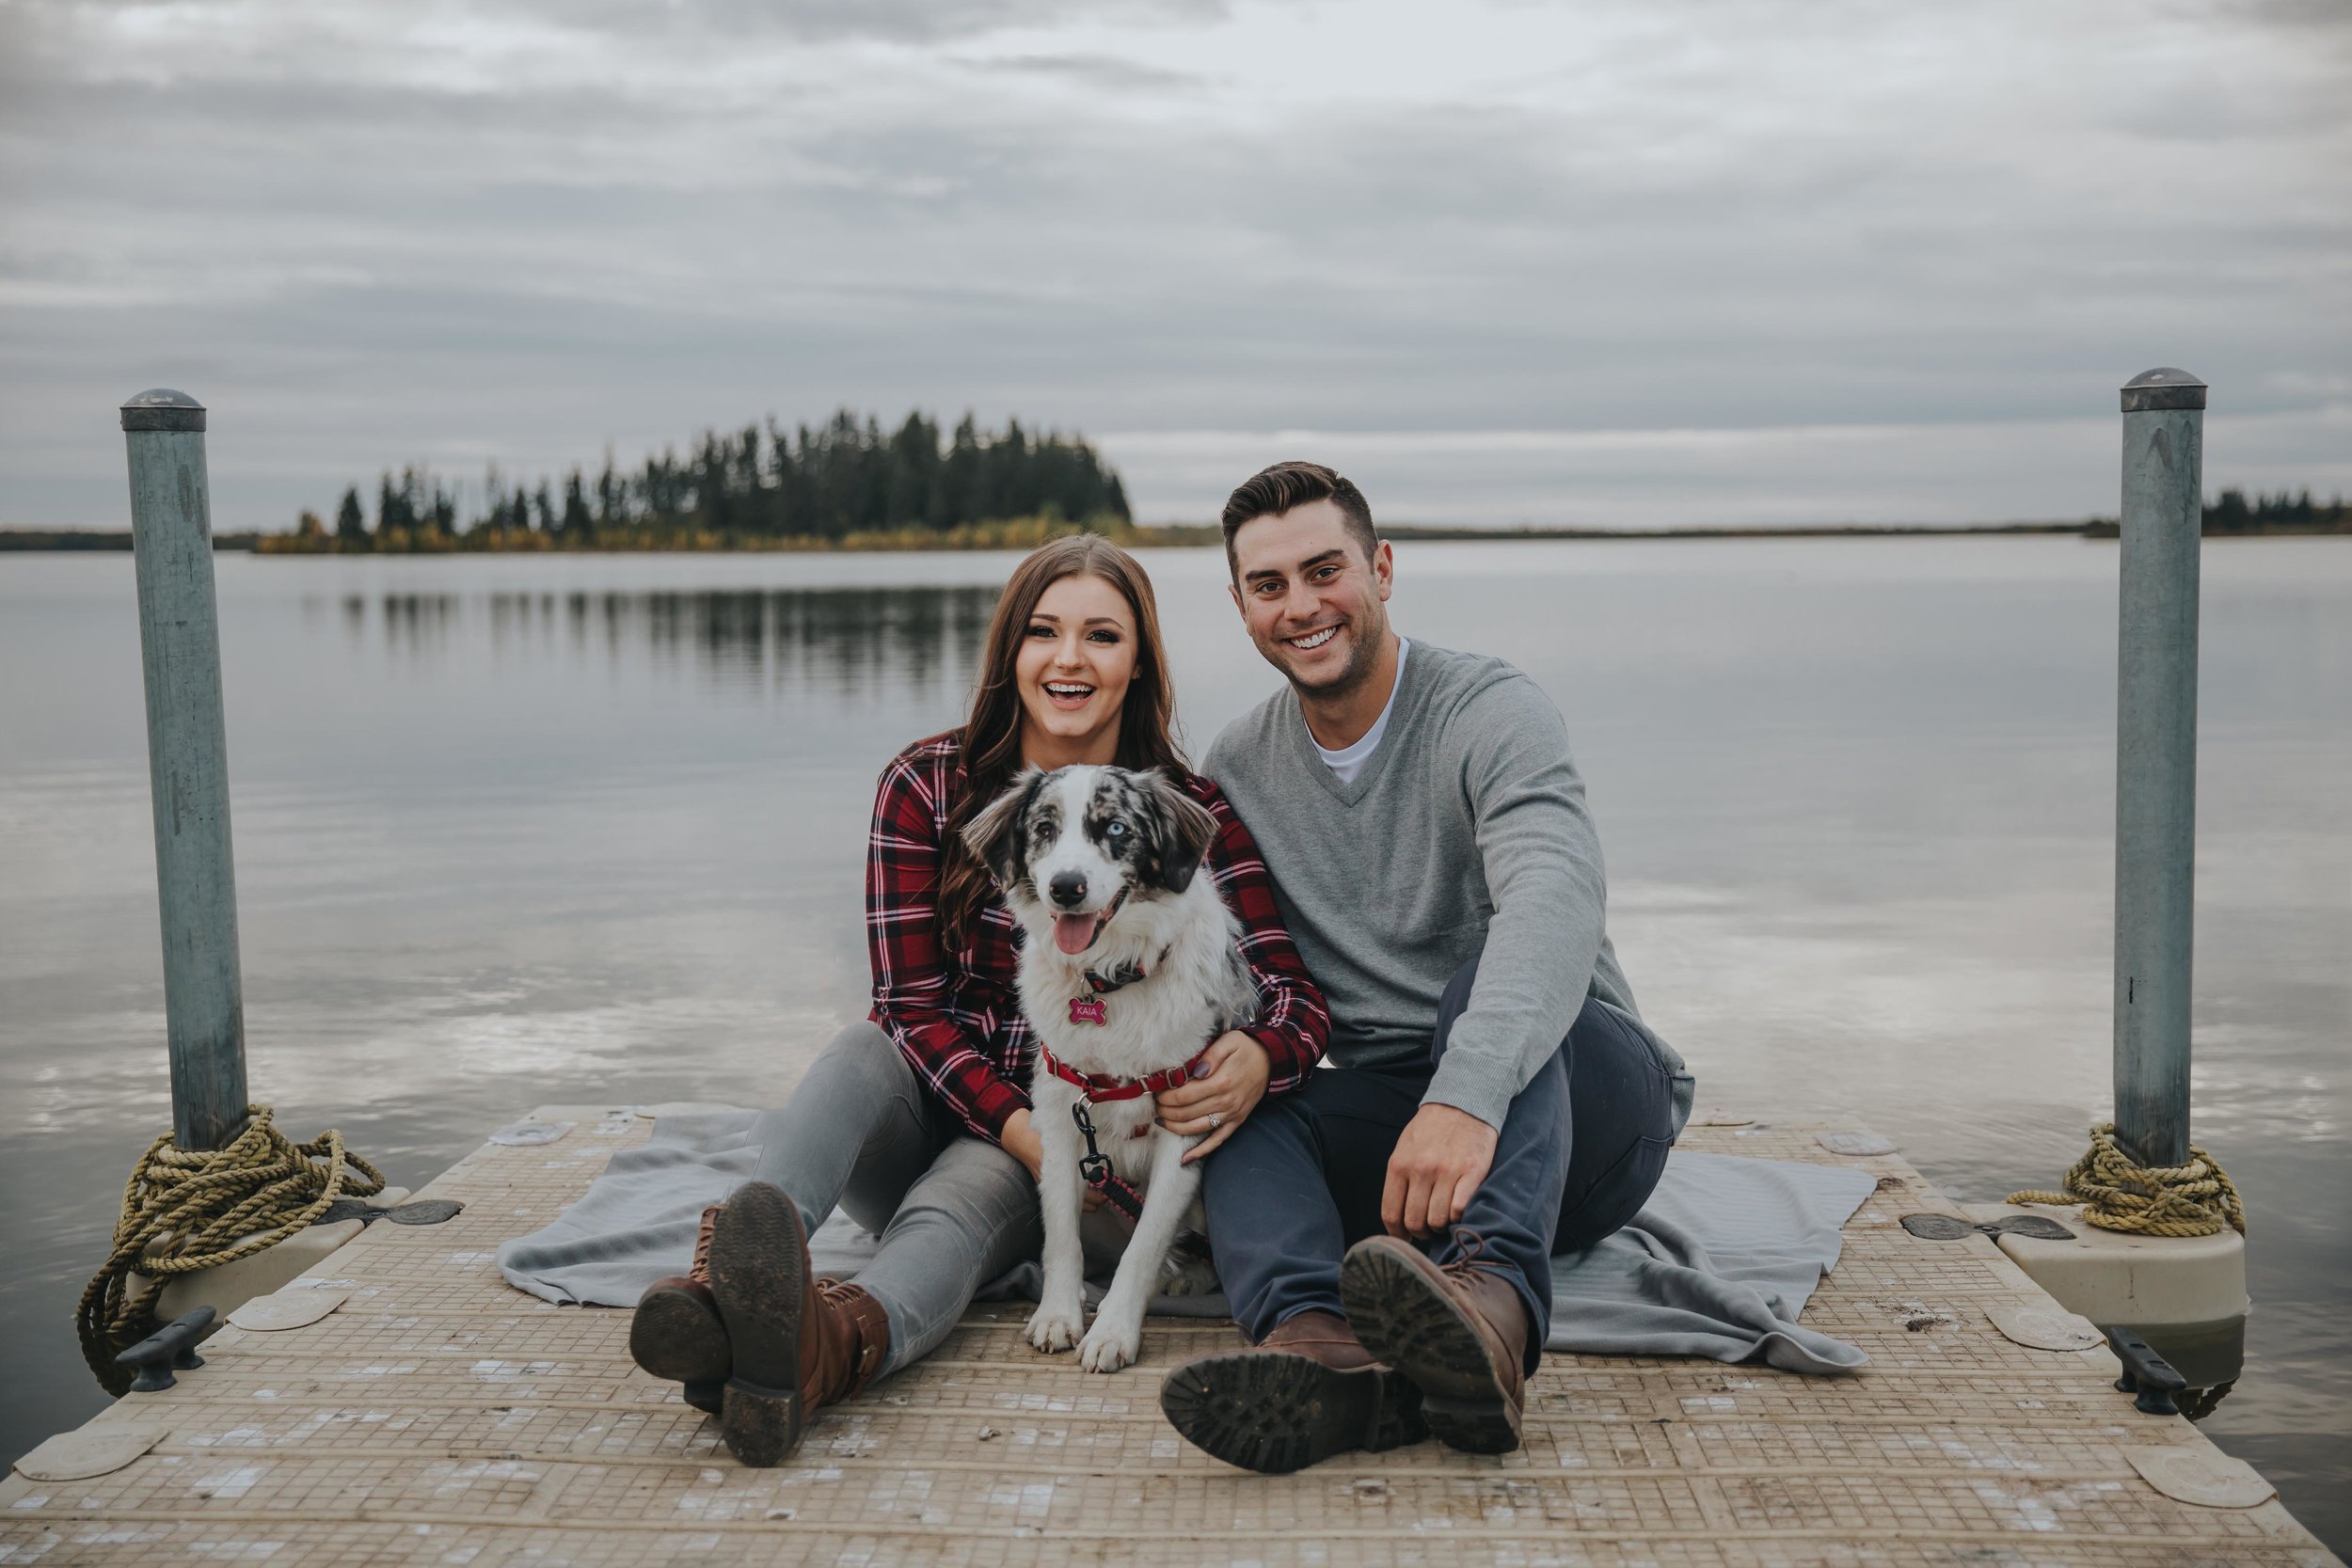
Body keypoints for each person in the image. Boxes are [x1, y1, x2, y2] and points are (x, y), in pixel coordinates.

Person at [628, 533, 1330, 1466]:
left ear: (1138, 662)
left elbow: (1293, 996)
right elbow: (908, 1006)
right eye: (1044, 631)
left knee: (965, 1192)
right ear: (1010, 650)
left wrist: (1260, 1056)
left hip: (1078, 1144)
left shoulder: (1178, 808)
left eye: (1102, 635)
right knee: (860, 1048)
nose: (1070, 658)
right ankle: (720, 1285)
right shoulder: (925, 785)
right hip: (973, 1110)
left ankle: (821, 1351)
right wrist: (1017, 1124)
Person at [1158, 462, 1696, 1474]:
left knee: (1485, 977)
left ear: (1383, 569)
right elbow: (1226, 964)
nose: (1301, 605)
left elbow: (1554, 895)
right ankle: (1320, 1353)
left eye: (1325, 570)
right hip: (1409, 1140)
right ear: (1241, 607)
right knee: (1246, 1101)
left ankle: (1489, 1315)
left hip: (1586, 1105)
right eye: (1269, 585)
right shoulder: (1237, 768)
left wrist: (1468, 1091)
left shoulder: (1490, 709)